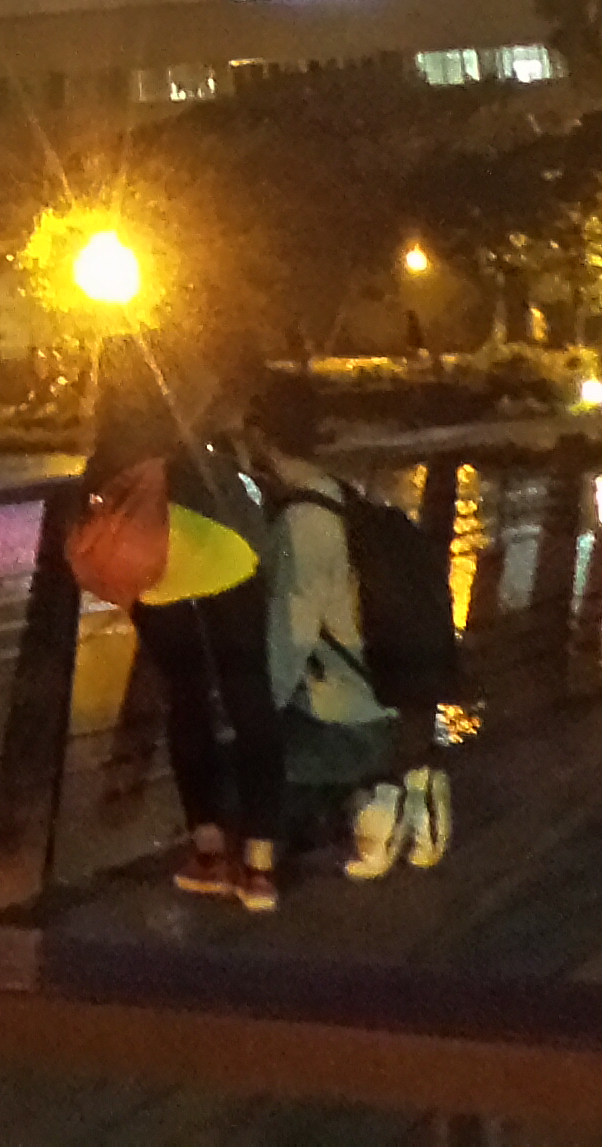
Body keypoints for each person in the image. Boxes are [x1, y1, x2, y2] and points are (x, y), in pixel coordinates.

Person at [84, 318, 282, 911]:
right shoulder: (186, 412)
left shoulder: (112, 437)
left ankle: (209, 854)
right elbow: (225, 389)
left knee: (188, 703)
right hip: (225, 555)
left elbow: (92, 497)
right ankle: (260, 867)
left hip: (158, 571)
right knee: (250, 698)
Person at [247, 367, 439, 883]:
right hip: (384, 705)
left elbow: (287, 642)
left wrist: (244, 720)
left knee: (232, 763)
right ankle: (405, 793)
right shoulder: (338, 494)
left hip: (349, 728)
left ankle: (369, 802)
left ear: (259, 438)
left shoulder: (303, 523)